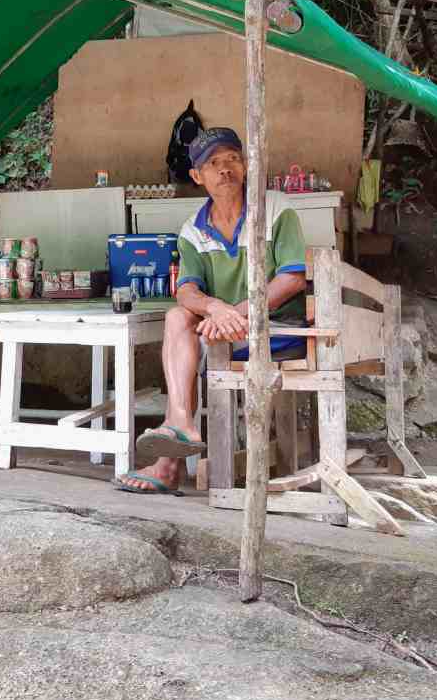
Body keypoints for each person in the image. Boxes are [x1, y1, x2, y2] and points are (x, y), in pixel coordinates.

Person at [116, 128, 308, 494]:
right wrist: (215, 308)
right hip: (223, 333)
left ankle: (168, 462)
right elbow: (186, 290)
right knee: (177, 315)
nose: (225, 170)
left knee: (188, 328)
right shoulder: (193, 230)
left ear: (246, 165)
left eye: (232, 159)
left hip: (275, 329)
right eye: (213, 164)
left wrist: (234, 314)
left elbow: (291, 280)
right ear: (197, 176)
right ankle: (183, 425)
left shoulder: (276, 209)